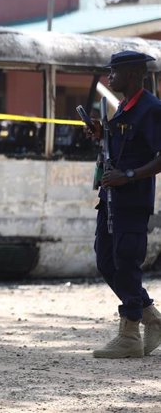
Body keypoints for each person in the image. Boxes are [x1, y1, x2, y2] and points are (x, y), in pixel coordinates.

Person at [85, 50, 161, 358]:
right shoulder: (123, 110)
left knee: (126, 262)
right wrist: (102, 133)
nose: (108, 77)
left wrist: (128, 176)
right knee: (106, 261)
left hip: (131, 201)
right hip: (110, 200)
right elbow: (122, 147)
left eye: (113, 72)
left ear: (131, 74)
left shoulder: (151, 109)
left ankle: (130, 333)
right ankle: (151, 317)